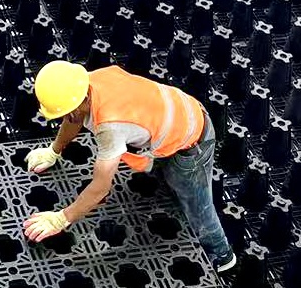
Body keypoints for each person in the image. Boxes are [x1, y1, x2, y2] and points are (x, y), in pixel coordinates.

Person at [22, 61, 237, 272]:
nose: (66, 118)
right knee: (169, 178)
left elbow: (100, 188)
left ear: (83, 98)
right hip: (177, 112)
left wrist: (62, 219)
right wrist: (54, 151)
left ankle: (221, 254)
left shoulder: (110, 126)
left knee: (196, 203)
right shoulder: (89, 81)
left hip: (193, 140)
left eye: (67, 112)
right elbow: (73, 117)